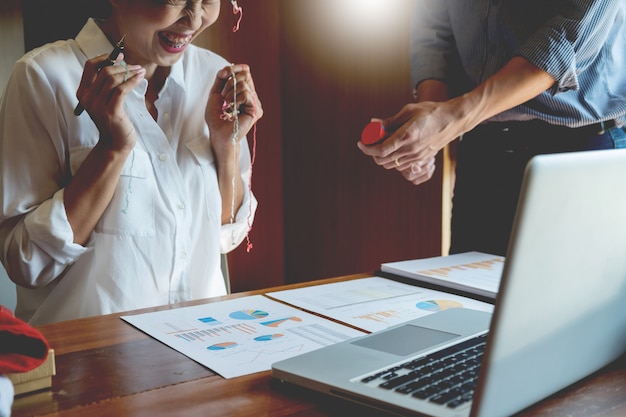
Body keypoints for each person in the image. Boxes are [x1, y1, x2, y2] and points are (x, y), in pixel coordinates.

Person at [0, 0, 263, 325]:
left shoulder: (214, 76)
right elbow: (26, 261)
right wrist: (110, 151)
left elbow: (226, 237)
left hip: (206, 348)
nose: (195, 17)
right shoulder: (44, 77)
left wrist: (227, 146)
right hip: (88, 362)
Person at [358, 0, 626, 257]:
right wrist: (428, 124)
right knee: (469, 300)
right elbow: (434, 27)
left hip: (581, 153)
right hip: (484, 153)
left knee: (573, 299)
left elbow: (568, 36)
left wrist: (451, 119)